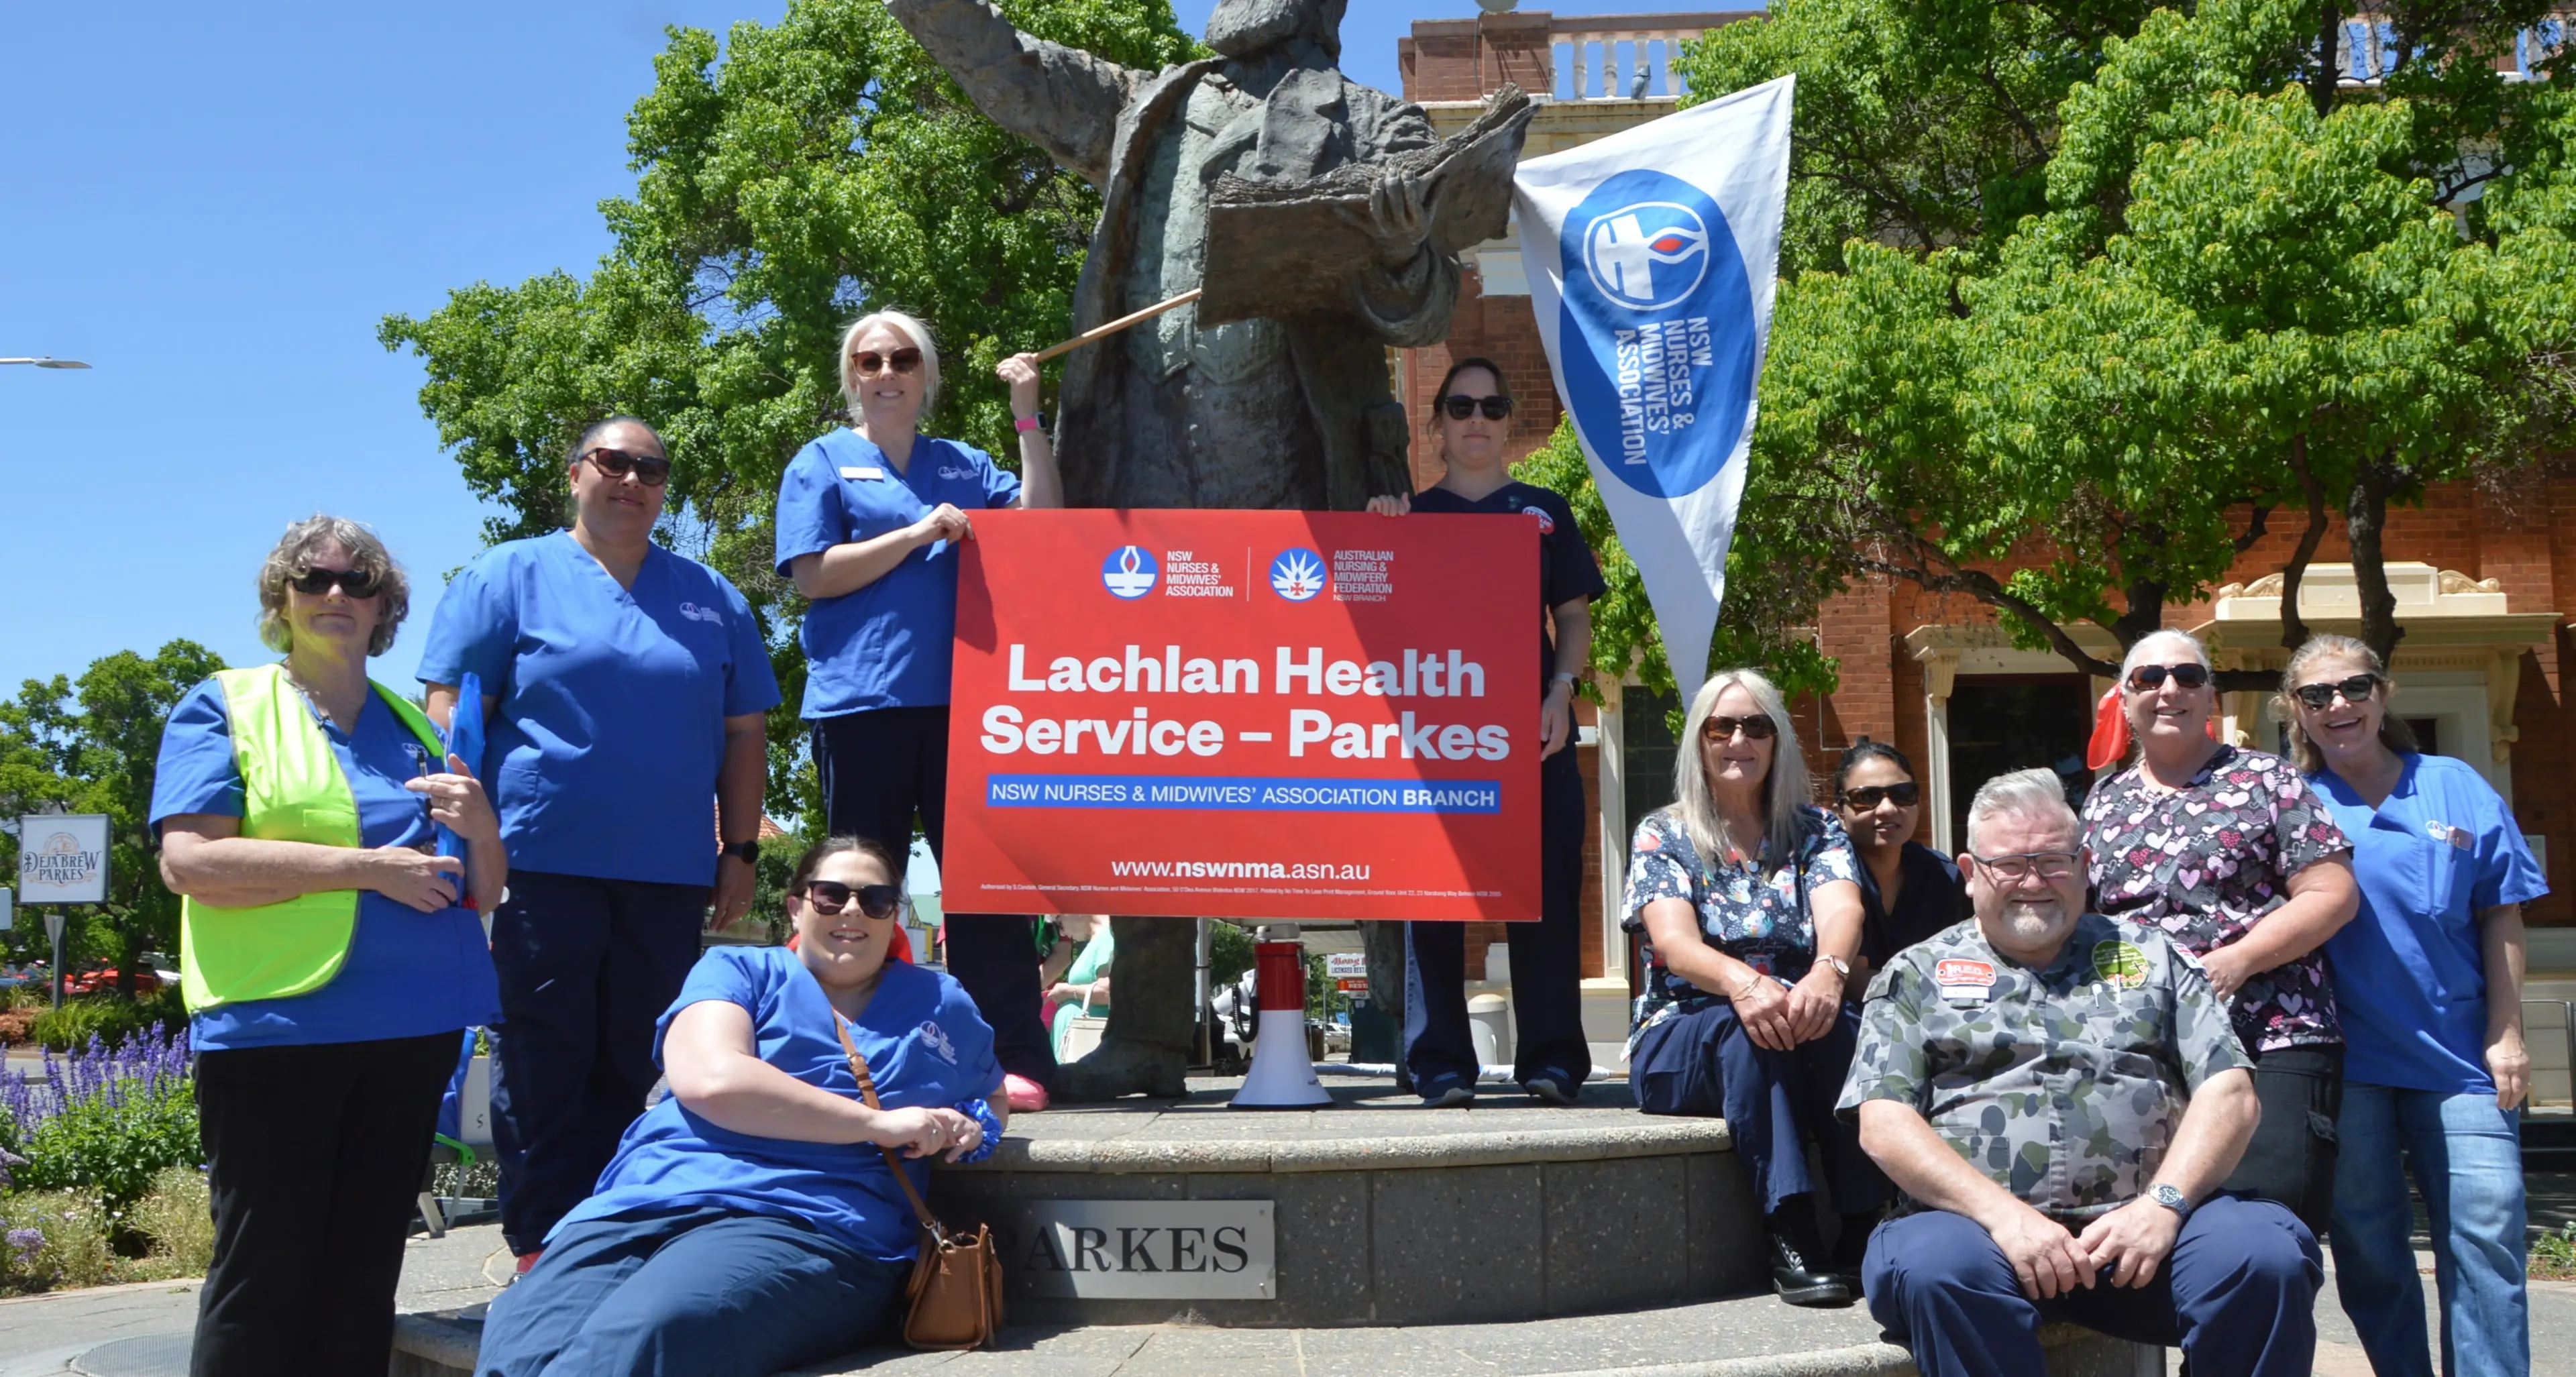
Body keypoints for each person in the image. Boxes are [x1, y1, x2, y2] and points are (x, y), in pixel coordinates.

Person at [419, 417, 782, 1269]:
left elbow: (745, 733)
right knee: (544, 1053)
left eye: (651, 469)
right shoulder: (507, 576)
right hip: (538, 864)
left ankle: (614, 1234)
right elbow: (451, 713)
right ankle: (541, 1247)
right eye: (613, 462)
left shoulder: (711, 597)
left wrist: (739, 850)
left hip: (667, 872)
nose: (632, 480)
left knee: (635, 1057)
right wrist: (466, 836)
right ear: (575, 473)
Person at [153, 516, 505, 1376]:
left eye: (359, 580)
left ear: (386, 606)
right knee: (263, 1273)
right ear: (282, 598)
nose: (336, 593)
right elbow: (189, 862)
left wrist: (483, 826)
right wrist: (366, 870)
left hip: (412, 1028)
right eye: (313, 578)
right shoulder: (225, 704)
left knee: (363, 1274)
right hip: (278, 1027)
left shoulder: (417, 725)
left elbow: (484, 889)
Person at [1843, 769, 2320, 1377]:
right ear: (1970, 873)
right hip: (1977, 1237)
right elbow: (1884, 1122)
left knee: (2265, 1252)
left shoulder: (2154, 956)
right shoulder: (1915, 974)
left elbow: (2230, 1091)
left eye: (2053, 862)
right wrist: (2005, 1217)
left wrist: (2164, 1205)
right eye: (2009, 865)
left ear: (2086, 865)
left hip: (2148, 1237)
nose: (2033, 882)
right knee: (1938, 1265)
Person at [474, 835, 1004, 1377]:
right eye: (831, 894)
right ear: (796, 906)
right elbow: (712, 1079)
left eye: (876, 899)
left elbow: (992, 1096)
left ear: (893, 915)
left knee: (645, 1332)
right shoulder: (737, 969)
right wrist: (877, 1123)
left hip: (811, 1224)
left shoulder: (941, 1003)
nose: (852, 910)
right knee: (519, 1341)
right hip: (645, 1204)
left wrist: (971, 1125)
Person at [774, 311, 1061, 1111]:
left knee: (987, 893)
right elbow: (813, 576)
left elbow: (1043, 527)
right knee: (857, 893)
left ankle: (1008, 1057)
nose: (886, 372)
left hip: (971, 709)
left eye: (903, 358)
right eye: (869, 360)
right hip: (860, 707)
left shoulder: (962, 463)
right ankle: (848, 1051)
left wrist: (1028, 417)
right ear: (851, 377)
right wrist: (917, 532)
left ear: (927, 376)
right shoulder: (821, 461)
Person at [2278, 635, 2545, 1377]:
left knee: (2488, 1230)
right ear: (2296, 710)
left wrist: (2508, 1033)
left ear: (2383, 693)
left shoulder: (2454, 784)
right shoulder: (2290, 801)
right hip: (2346, 1065)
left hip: (2463, 1061)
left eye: (2355, 687)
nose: (2339, 705)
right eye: (2317, 695)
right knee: (2369, 1244)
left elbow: (2502, 912)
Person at [1365, 357, 1605, 1108]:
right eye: (1461, 406)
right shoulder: (1407, 517)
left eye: (1492, 407)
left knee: (1547, 894)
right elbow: (1369, 615)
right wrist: (1378, 529)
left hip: (1531, 735)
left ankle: (1553, 1058)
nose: (1477, 419)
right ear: (1435, 425)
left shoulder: (1544, 512)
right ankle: (1438, 1062)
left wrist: (1561, 691)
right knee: (1430, 897)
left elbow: (1573, 616)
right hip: (1436, 744)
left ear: (1508, 423)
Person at [1622, 668, 1890, 1307]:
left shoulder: (1816, 829)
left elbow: (1842, 909)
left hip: (1793, 1015)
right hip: (1684, 1030)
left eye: (1756, 726)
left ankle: (1865, 1223)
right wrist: (1745, 983)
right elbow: (1675, 944)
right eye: (1721, 726)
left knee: (1845, 1029)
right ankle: (1790, 1228)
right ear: (1699, 740)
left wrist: (1827, 972)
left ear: (1778, 741)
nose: (1738, 740)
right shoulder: (1663, 834)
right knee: (1751, 1030)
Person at [2079, 628, 2357, 1235]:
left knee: (2265, 1227)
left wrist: (2240, 959)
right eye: (2149, 678)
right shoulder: (2102, 802)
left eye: (2188, 676)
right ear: (2124, 699)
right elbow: (2087, 922)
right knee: (2147, 1225)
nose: (2169, 690)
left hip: (2270, 1034)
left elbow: (2333, 893)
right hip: (2144, 1050)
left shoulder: (2268, 780)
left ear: (2211, 697)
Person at [1831, 738, 1965, 994]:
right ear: (1840, 812)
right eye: (1867, 797)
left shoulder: (1942, 874)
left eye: (1902, 794)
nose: (1887, 809)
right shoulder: (1829, 876)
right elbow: (1852, 981)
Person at [1042, 914, 1113, 1062]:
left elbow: (1108, 991)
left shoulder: (1106, 938)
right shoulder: (1097, 940)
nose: (1062, 932)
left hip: (1087, 1048)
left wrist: (1067, 991)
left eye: (1059, 923)